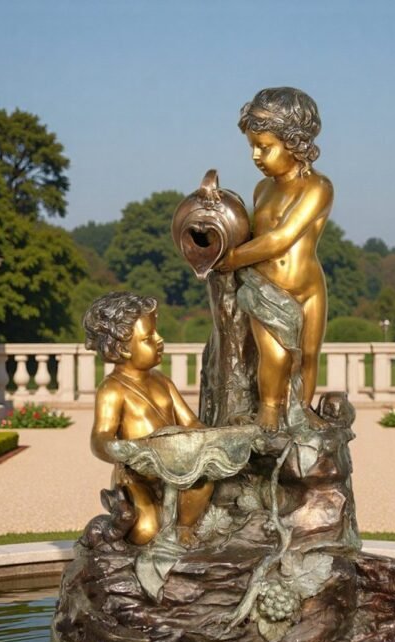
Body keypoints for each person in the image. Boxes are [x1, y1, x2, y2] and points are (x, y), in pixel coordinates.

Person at [217, 87, 333, 432]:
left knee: (308, 356)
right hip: (266, 288)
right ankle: (269, 411)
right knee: (277, 355)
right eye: (252, 146)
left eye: (264, 147)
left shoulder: (318, 187)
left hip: (309, 288)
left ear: (295, 143)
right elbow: (253, 236)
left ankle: (302, 409)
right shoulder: (261, 190)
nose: (255, 155)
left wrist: (231, 258)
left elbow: (282, 239)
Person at [84, 292, 212, 544]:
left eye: (156, 333)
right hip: (136, 475)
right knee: (145, 531)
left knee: (202, 483)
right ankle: (112, 522)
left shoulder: (163, 381)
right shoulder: (113, 389)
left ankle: (184, 529)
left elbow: (191, 422)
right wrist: (122, 450)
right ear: (122, 348)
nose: (159, 340)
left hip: (173, 468)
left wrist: (206, 437)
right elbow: (100, 437)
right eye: (148, 338)